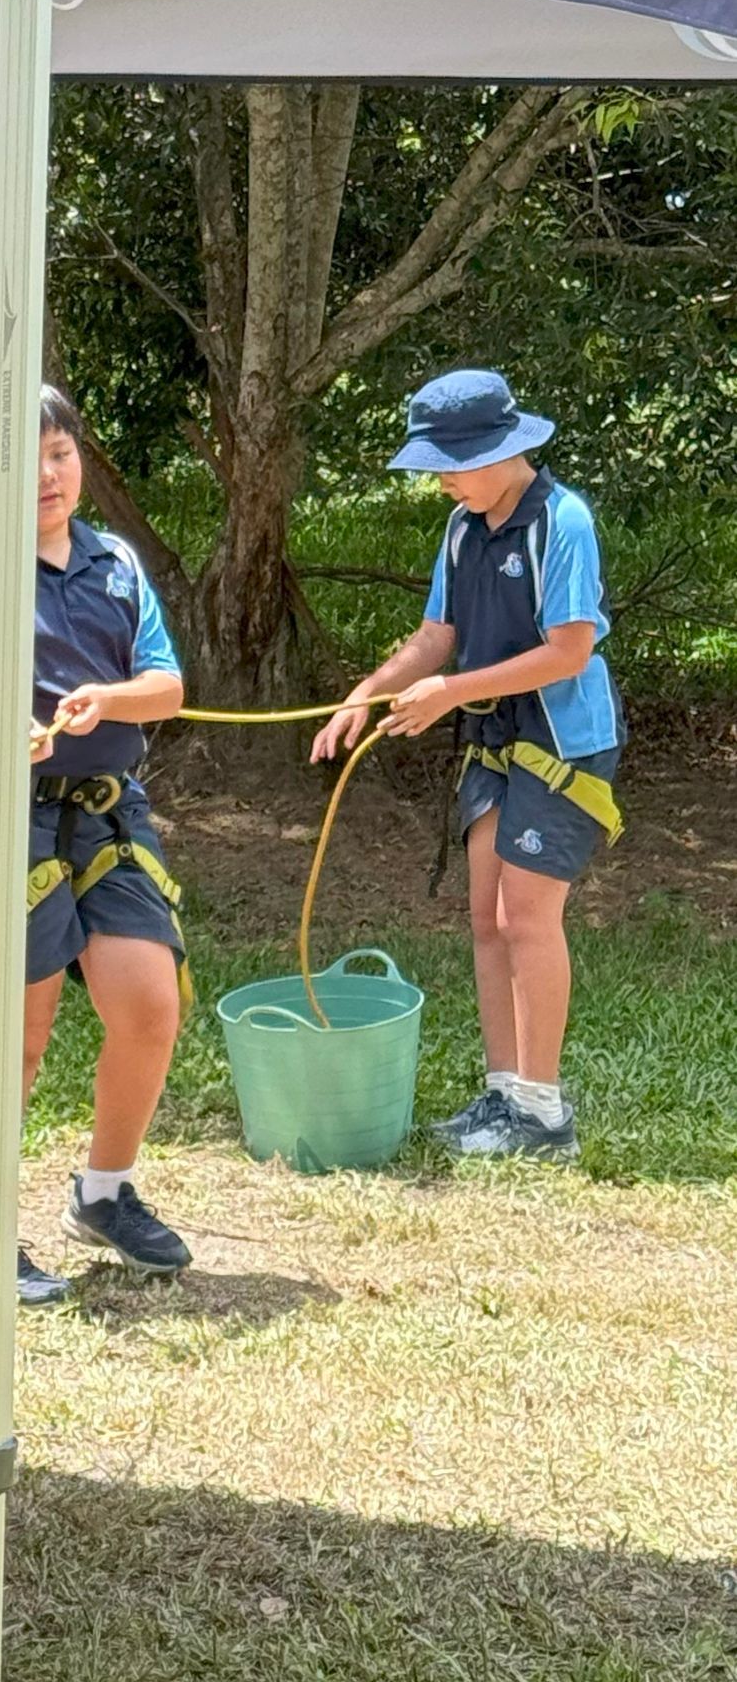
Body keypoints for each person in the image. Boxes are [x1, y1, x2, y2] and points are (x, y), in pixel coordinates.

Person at [0, 387, 190, 1306]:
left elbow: (166, 684)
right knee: (17, 1034)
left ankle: (104, 1194)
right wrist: (7, 723)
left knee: (150, 1004)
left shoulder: (116, 563)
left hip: (110, 814)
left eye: (61, 453)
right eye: (24, 458)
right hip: (8, 814)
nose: (46, 474)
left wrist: (108, 700)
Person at [313, 368, 618, 1165]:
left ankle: (543, 1114)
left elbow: (569, 651)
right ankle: (504, 1091)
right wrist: (365, 694)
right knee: (487, 917)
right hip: (492, 737)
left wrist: (450, 692)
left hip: (562, 742)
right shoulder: (461, 527)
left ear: (498, 450)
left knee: (527, 917)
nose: (441, 480)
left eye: (449, 465)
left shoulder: (563, 521)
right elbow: (435, 636)